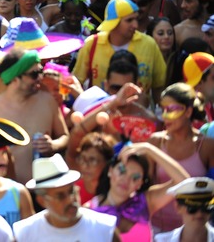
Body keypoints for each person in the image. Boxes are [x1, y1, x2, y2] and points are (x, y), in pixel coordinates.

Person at [0, 49, 70, 184]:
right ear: (15, 78)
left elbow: (64, 136)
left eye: (40, 72)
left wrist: (53, 145)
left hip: (44, 188)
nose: (40, 78)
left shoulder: (47, 100)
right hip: (8, 192)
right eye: (34, 74)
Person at [72, 0, 167, 106]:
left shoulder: (149, 44)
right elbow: (77, 82)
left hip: (139, 115)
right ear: (114, 23)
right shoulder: (91, 44)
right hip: (101, 116)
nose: (135, 25)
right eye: (129, 20)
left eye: (136, 19)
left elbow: (158, 86)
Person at [87, 141, 190, 240]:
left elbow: (185, 183)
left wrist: (149, 149)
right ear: (110, 171)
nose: (126, 180)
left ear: (140, 184)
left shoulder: (146, 201)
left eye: (135, 177)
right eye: (122, 171)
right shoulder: (88, 210)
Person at [147, 83, 214, 232]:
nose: (165, 116)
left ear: (188, 112)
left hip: (194, 231)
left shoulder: (207, 146)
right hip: (157, 229)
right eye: (163, 109)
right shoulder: (155, 142)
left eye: (172, 109)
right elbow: (147, 188)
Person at [13, 153, 118, 241]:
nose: (70, 199)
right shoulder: (24, 234)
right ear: (42, 201)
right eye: (60, 196)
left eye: (71, 191)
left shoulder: (105, 228)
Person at [155, 177, 214, 241]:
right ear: (178, 207)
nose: (199, 213)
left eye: (206, 207)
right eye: (192, 208)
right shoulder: (161, 240)